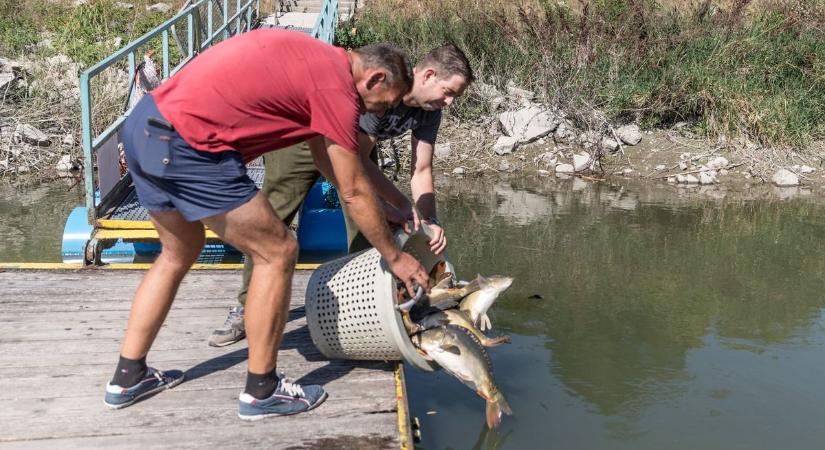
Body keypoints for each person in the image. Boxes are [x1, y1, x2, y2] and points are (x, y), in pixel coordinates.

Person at [102, 29, 430, 421]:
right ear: (375, 78)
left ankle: (129, 375)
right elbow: (354, 193)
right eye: (381, 105)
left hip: (146, 126)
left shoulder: (316, 62)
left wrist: (393, 202)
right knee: (278, 251)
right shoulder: (337, 89)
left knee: (178, 251)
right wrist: (396, 258)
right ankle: (262, 391)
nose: (375, 114)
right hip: (189, 144)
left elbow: (330, 164)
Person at [208, 43, 474, 348]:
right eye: (449, 92)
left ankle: (364, 307)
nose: (450, 102)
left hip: (355, 148)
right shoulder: (389, 87)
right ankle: (245, 308)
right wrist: (399, 203)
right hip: (306, 141)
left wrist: (429, 221)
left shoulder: (429, 113)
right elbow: (358, 161)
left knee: (370, 225)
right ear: (428, 75)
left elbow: (422, 170)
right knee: (273, 221)